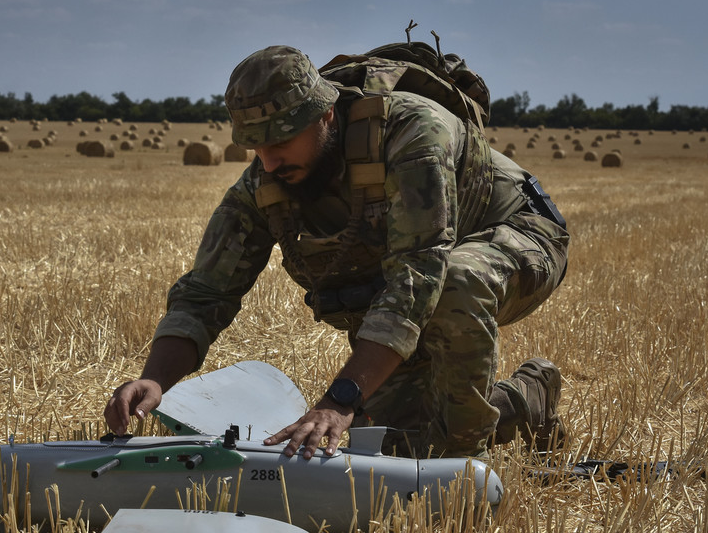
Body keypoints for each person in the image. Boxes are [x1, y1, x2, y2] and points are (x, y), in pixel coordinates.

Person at [104, 45, 570, 459]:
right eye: (256, 146)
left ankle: (464, 464)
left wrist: (340, 399)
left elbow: (420, 274)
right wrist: (156, 380)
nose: (268, 161)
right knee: (401, 449)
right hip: (418, 284)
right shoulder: (264, 183)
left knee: (455, 284)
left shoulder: (412, 132)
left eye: (281, 141)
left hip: (517, 239)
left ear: (325, 115)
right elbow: (206, 290)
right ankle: (527, 399)